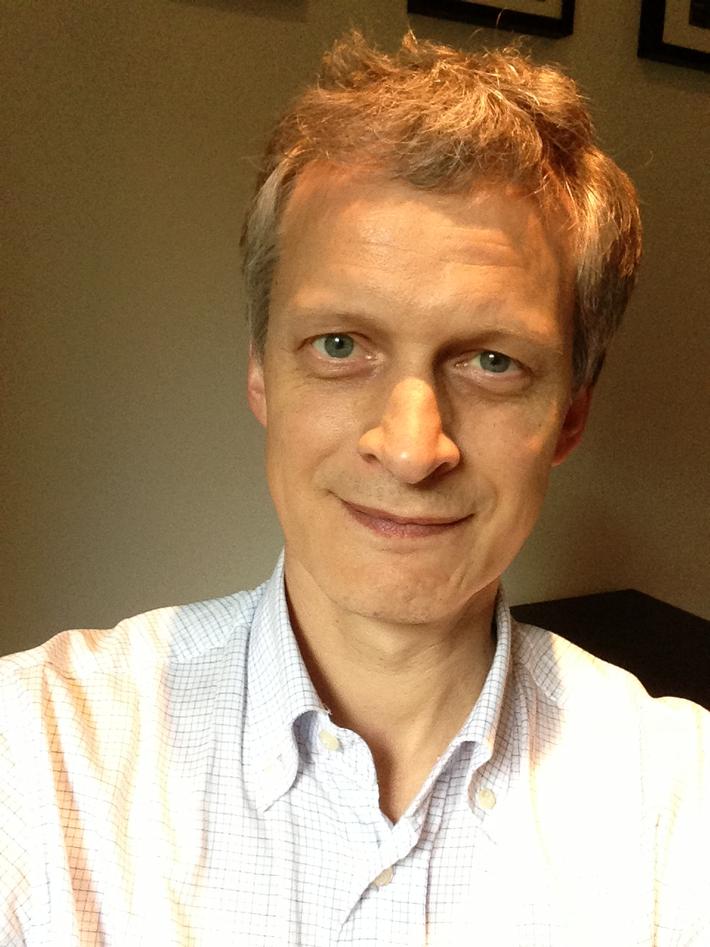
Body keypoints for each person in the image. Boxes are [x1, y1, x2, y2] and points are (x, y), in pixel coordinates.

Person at [1, 29, 707, 947]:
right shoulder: (35, 756)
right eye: (340, 345)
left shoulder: (678, 805)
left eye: (493, 361)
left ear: (570, 414)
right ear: (262, 374)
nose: (412, 449)